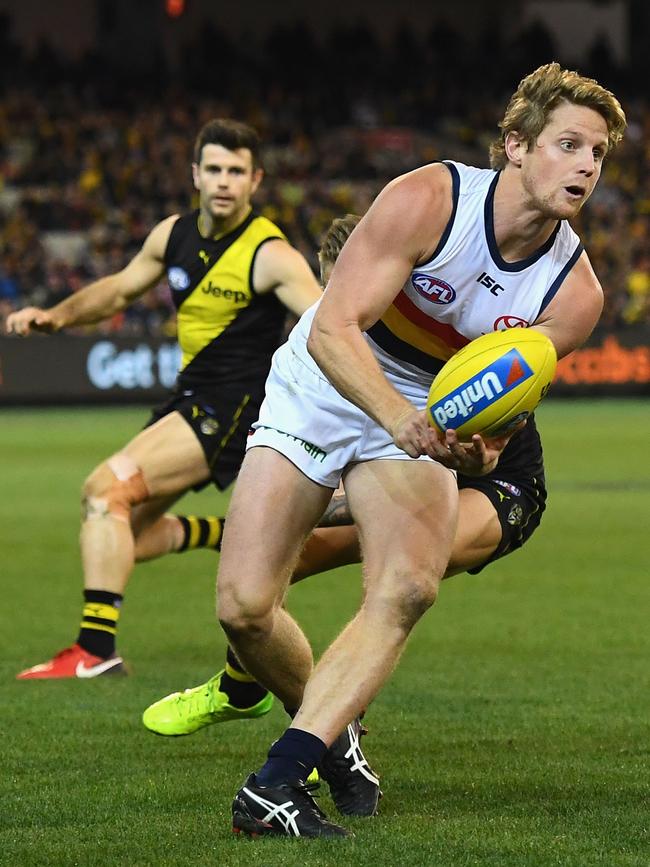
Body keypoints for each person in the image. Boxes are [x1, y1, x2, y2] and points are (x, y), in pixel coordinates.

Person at [211, 63, 625, 838]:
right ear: (515, 145)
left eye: (596, 154)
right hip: (331, 378)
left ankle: (278, 778)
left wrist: (476, 453)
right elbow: (335, 327)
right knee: (243, 606)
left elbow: (498, 426)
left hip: (424, 413)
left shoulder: (574, 295)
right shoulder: (429, 200)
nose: (585, 166)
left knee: (407, 587)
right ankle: (334, 734)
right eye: (567, 144)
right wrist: (400, 417)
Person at [142, 212, 547, 744]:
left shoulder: (449, 322)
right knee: (281, 565)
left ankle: (327, 732)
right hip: (410, 469)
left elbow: (496, 421)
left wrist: (312, 506)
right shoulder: (332, 341)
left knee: (395, 580)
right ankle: (247, 687)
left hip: (493, 488)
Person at [7, 118, 322, 680]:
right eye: (216, 170)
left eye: (237, 172)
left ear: (256, 180)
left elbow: (326, 326)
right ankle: (215, 533)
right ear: (195, 174)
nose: (225, 182)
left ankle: (94, 650)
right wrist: (56, 316)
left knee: (103, 490)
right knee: (117, 527)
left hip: (231, 411)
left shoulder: (270, 254)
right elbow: (121, 288)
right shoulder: (172, 235)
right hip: (191, 400)